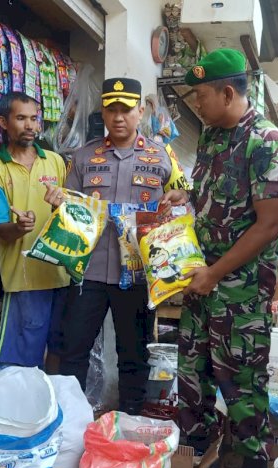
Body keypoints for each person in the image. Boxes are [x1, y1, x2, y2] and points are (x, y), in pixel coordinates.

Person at [176, 49, 278, 468]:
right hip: (200, 280)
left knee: (241, 379)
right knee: (192, 371)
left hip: (239, 291)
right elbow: (210, 195)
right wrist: (185, 197)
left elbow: (268, 226)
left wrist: (214, 274)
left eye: (201, 95)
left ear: (229, 93)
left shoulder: (266, 141)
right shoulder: (210, 136)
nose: (196, 104)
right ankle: (192, 455)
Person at [44, 77, 191, 415]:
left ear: (140, 112)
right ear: (104, 112)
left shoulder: (162, 156)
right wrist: (58, 203)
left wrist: (179, 197)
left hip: (138, 273)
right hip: (89, 273)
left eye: (126, 109)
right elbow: (69, 208)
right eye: (112, 109)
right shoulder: (83, 157)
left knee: (134, 354)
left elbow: (186, 197)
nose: (119, 116)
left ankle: (130, 422)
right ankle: (73, 422)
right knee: (74, 351)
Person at [0, 92, 69, 370]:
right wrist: (18, 227)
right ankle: (23, 412)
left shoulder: (55, 162)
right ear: (4, 122)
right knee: (21, 362)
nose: (30, 125)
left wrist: (61, 208)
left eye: (33, 119)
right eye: (21, 118)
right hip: (25, 279)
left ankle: (52, 404)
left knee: (61, 350)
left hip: (63, 273)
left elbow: (73, 213)